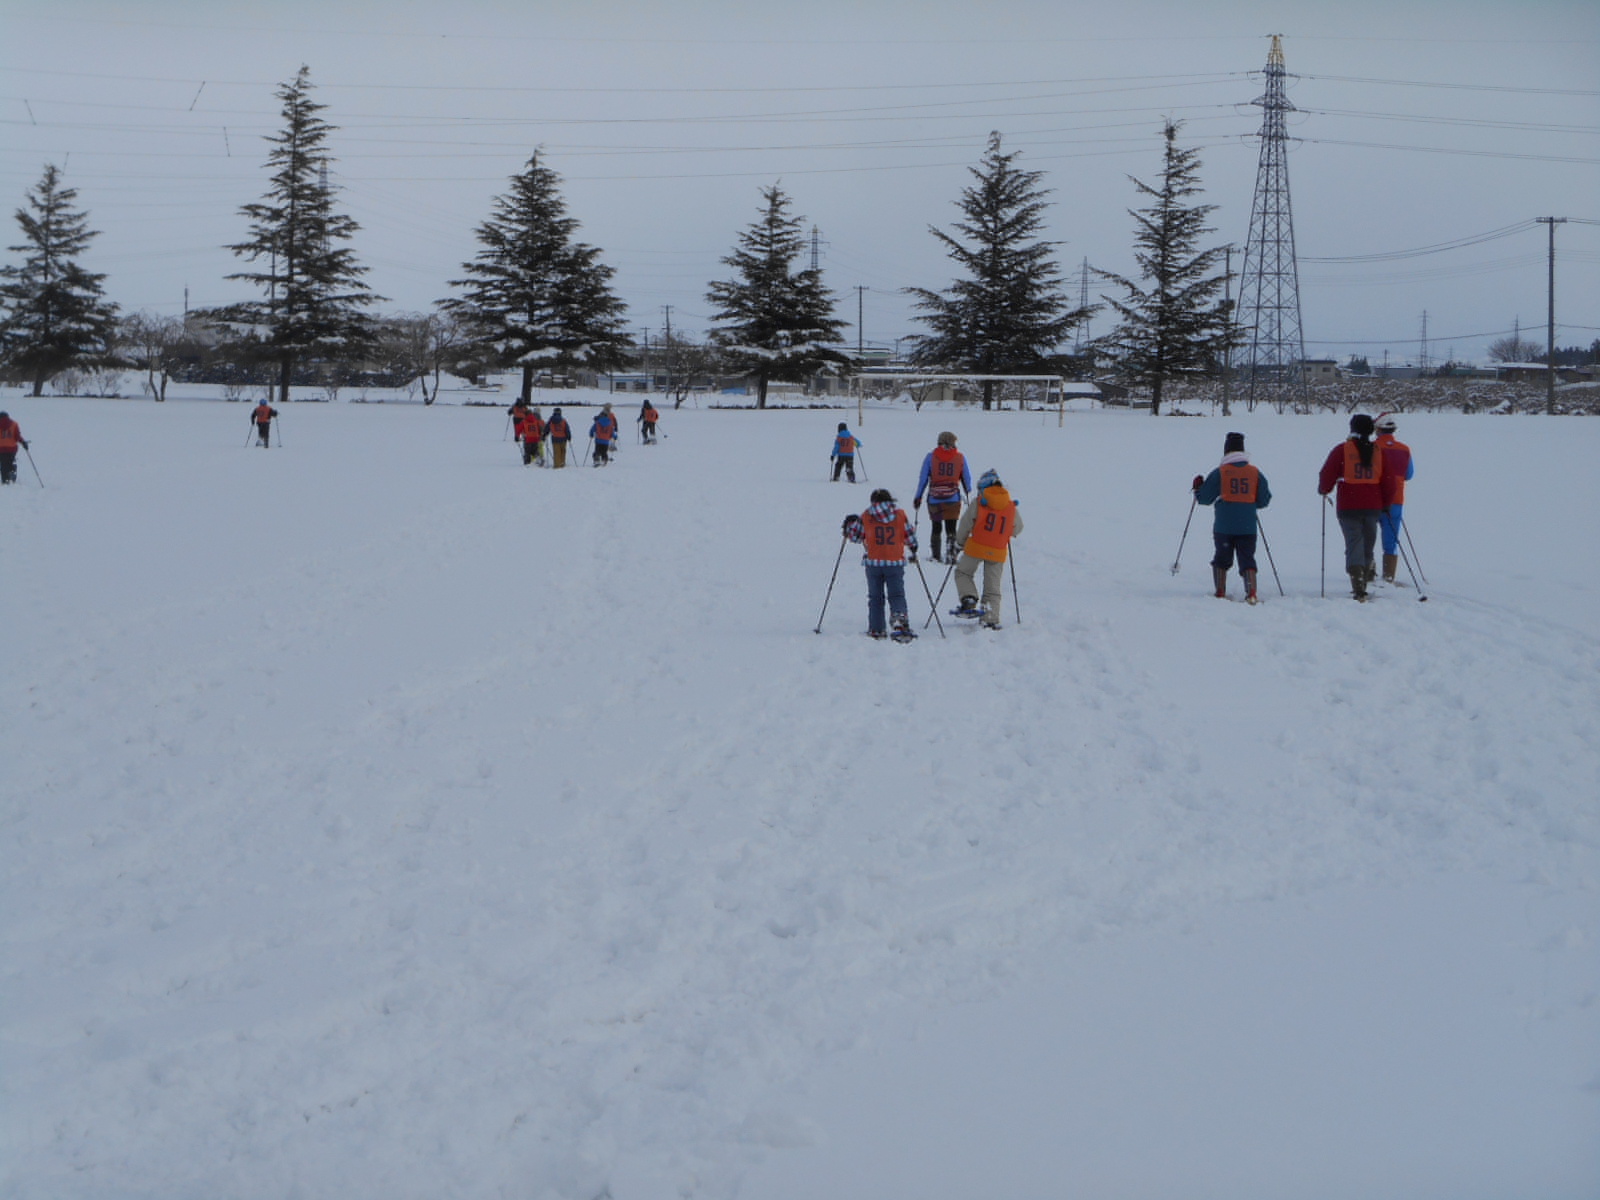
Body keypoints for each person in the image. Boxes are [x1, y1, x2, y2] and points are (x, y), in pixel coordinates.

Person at [1318, 413, 1399, 601]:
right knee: (1368, 544)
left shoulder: (1342, 450)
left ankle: (1358, 584)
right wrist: (1386, 504)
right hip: (1373, 506)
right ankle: (1365, 575)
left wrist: (1324, 489)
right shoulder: (1378, 452)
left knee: (1354, 543)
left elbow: (1327, 474)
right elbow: (1389, 481)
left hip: (1349, 506)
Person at [1193, 431, 1272, 603]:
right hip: (1248, 525)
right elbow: (1264, 500)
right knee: (1247, 558)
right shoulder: (1255, 473)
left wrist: (1198, 488)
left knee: (1222, 557)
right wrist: (1249, 504)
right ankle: (1251, 592)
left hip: (1224, 526)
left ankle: (1220, 590)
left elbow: (1204, 499)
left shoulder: (1220, 472)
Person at [843, 487, 919, 641]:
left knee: (875, 597)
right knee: (897, 594)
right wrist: (913, 547)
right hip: (895, 562)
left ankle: (877, 629)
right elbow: (909, 536)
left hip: (874, 563)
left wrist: (849, 527)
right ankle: (899, 620)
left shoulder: (867, 515)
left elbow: (856, 537)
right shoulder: (899, 515)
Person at [953, 468, 1022, 629]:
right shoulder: (1010, 506)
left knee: (963, 572)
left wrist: (959, 543)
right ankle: (990, 618)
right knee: (993, 586)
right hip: (997, 549)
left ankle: (969, 597)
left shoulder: (979, 501)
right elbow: (1017, 528)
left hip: (976, 546)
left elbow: (965, 524)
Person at [912, 431, 971, 564]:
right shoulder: (960, 457)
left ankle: (936, 554)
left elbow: (923, 479)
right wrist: (967, 489)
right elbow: (967, 478)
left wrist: (918, 497)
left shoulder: (930, 457)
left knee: (936, 526)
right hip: (953, 499)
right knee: (951, 527)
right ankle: (951, 553)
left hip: (934, 499)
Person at [1374, 412, 1415, 583]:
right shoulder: (1404, 449)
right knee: (1391, 539)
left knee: (1368, 535)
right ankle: (1389, 575)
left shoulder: (1373, 447)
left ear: (1378, 429)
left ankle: (1367, 571)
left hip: (1374, 498)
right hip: (1396, 499)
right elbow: (1409, 474)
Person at [0, 411, 27, 484]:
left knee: (3, 464)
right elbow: (17, 436)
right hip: (12, 448)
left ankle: (5, 480)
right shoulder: (14, 424)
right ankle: (12, 473)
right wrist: (23, 442)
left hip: (1, 449)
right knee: (11, 461)